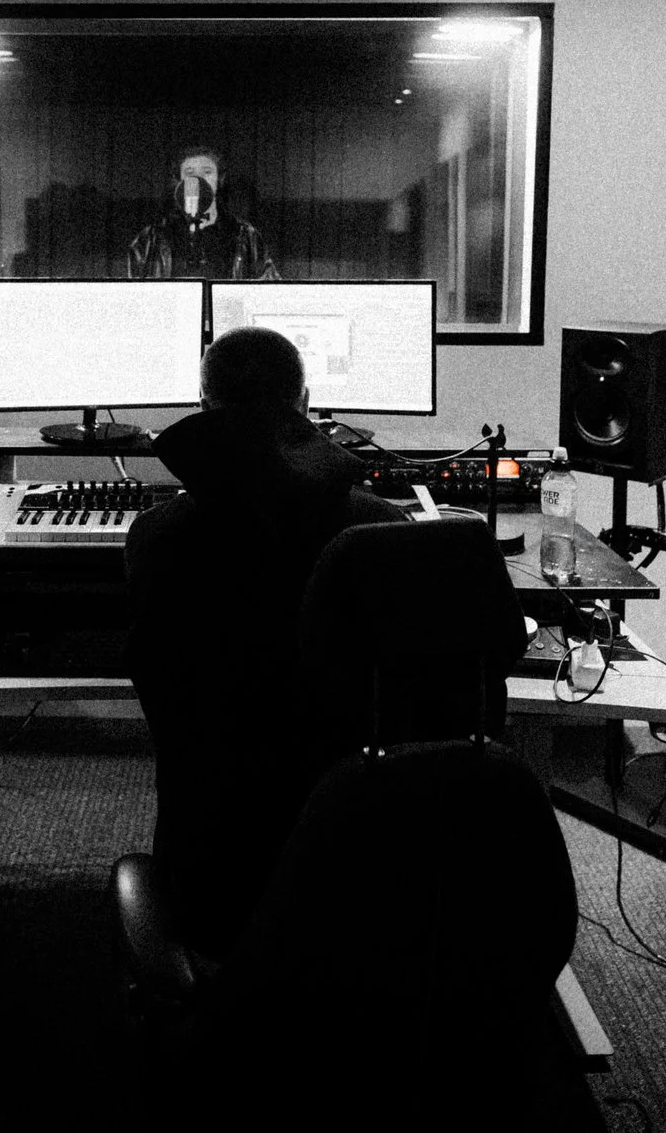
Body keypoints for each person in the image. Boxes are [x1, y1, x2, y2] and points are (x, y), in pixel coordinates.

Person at [122, 326, 402, 958]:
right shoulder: (381, 527)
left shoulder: (156, 537)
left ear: (202, 406)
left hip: (209, 877)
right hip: (353, 871)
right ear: (306, 404)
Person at [124, 146, 276, 279]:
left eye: (207, 172)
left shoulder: (245, 235)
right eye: (190, 173)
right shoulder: (151, 239)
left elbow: (267, 289)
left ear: (219, 179)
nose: (198, 179)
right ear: (179, 181)